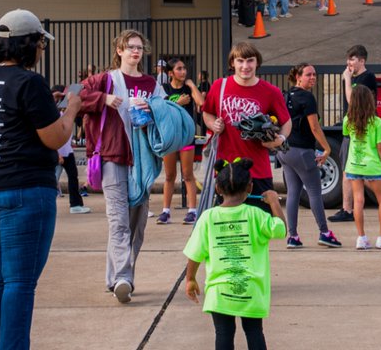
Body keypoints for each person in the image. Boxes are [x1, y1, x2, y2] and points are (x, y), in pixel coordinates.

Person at [0, 9, 81, 348]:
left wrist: (48, 106)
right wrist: (72, 108)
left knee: (0, 280)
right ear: (28, 44)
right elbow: (55, 137)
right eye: (41, 44)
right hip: (24, 190)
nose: (42, 50)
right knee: (20, 283)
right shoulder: (30, 82)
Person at [79, 29, 166, 303]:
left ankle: (115, 278)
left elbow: (166, 111)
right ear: (119, 50)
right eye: (130, 47)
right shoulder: (105, 80)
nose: (135, 51)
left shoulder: (152, 84)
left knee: (136, 224)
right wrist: (102, 99)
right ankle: (124, 278)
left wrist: (153, 109)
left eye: (139, 47)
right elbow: (73, 95)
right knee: (118, 220)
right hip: (112, 155)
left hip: (143, 160)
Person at [185, 159, 286, 350]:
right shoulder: (256, 215)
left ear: (217, 189)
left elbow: (195, 253)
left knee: (223, 333)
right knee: (254, 332)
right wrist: (274, 201)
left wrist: (190, 279)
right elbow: (280, 229)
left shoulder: (208, 217)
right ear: (250, 187)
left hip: (219, 291)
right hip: (251, 289)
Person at [202, 42, 291, 202]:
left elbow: (287, 122)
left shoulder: (271, 91)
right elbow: (207, 113)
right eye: (240, 61)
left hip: (258, 170)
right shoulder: (219, 86)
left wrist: (281, 139)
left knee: (261, 216)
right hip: (227, 170)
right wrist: (213, 124)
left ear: (257, 62)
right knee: (228, 217)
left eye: (250, 60)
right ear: (232, 63)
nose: (245, 66)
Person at [280, 63, 341, 249]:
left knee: (293, 193)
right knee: (314, 192)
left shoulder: (287, 95)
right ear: (298, 77)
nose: (313, 77)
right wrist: (327, 148)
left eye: (314, 74)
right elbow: (315, 127)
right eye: (308, 75)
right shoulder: (307, 97)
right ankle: (324, 233)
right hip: (302, 151)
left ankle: (293, 237)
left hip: (285, 150)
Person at [329, 45, 381, 223]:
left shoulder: (367, 77)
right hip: (352, 127)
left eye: (352, 59)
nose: (348, 62)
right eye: (348, 59)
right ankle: (347, 209)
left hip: (362, 129)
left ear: (362, 61)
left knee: (353, 171)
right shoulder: (353, 78)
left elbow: (352, 101)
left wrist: (347, 80)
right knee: (348, 170)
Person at [343, 85, 381, 249]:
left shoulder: (348, 120)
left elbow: (347, 136)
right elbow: (380, 147)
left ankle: (361, 238)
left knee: (358, 200)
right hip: (372, 166)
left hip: (353, 165)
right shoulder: (376, 122)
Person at [159, 58, 204, 225]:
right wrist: (178, 103)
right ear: (170, 73)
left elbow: (201, 103)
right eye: (179, 69)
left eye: (184, 68)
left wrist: (192, 86)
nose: (183, 71)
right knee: (169, 175)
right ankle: (165, 211)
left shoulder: (188, 88)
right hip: (170, 136)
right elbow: (162, 110)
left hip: (186, 136)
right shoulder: (164, 88)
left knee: (188, 175)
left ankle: (192, 211)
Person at [50, 85, 90, 214]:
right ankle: (50, 204)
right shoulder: (53, 113)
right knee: (52, 179)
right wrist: (57, 154)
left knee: (73, 177)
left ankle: (75, 204)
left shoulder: (61, 112)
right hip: (58, 151)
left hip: (67, 151)